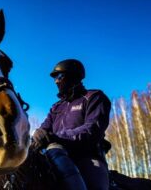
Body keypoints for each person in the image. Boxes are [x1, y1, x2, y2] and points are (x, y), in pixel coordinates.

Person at [32, 59, 111, 190]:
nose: (56, 81)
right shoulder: (56, 107)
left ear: (74, 76)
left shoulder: (94, 97)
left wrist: (57, 138)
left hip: (87, 158)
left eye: (59, 76)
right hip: (53, 157)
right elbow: (44, 130)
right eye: (55, 78)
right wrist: (36, 137)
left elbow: (92, 129)